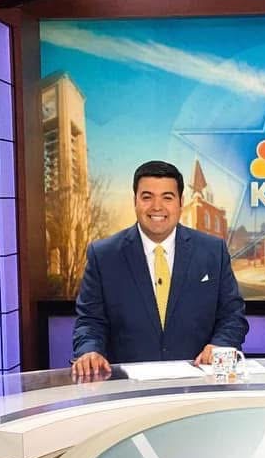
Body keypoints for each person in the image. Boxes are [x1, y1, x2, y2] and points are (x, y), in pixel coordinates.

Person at [71, 160, 248, 376]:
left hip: (199, 385)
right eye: (147, 197)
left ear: (180, 202)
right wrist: (90, 351)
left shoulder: (213, 251)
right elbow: (90, 320)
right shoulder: (104, 255)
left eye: (167, 197)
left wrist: (221, 345)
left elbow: (232, 315)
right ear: (135, 201)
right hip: (127, 391)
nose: (157, 207)